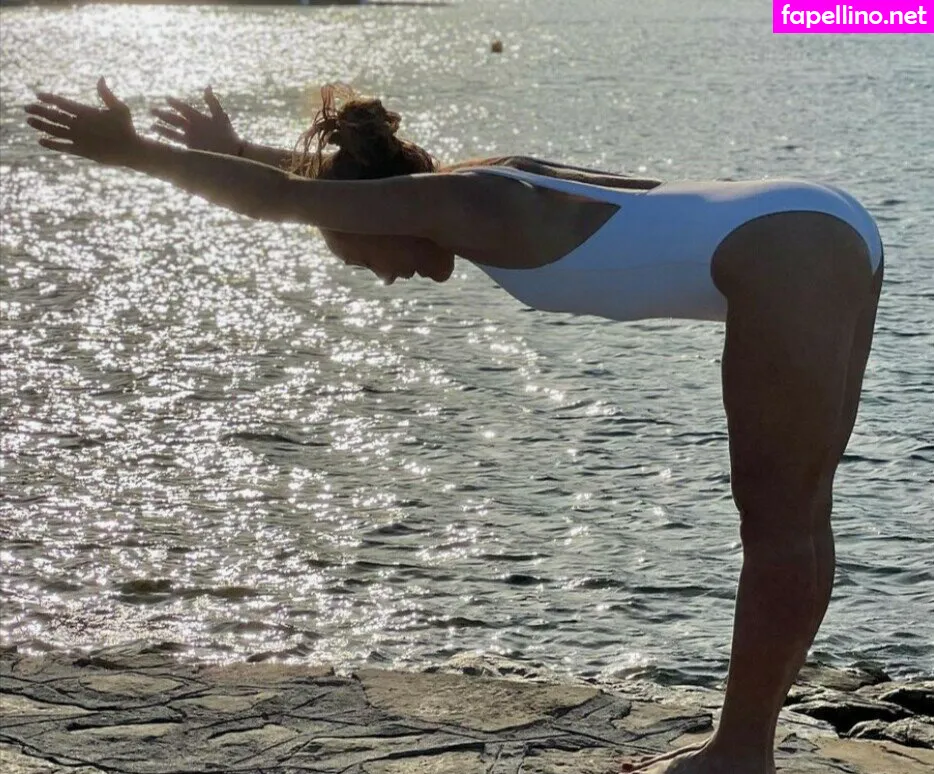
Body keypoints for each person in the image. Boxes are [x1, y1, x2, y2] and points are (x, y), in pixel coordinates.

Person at [25, 79, 884, 774]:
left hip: (786, 249)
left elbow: (282, 200)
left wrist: (134, 153)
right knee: (799, 513)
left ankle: (738, 754)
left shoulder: (460, 204)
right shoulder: (475, 183)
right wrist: (238, 148)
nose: (379, 274)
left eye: (358, 252)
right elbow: (328, 189)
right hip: (817, 222)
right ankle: (747, 746)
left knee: (778, 521)